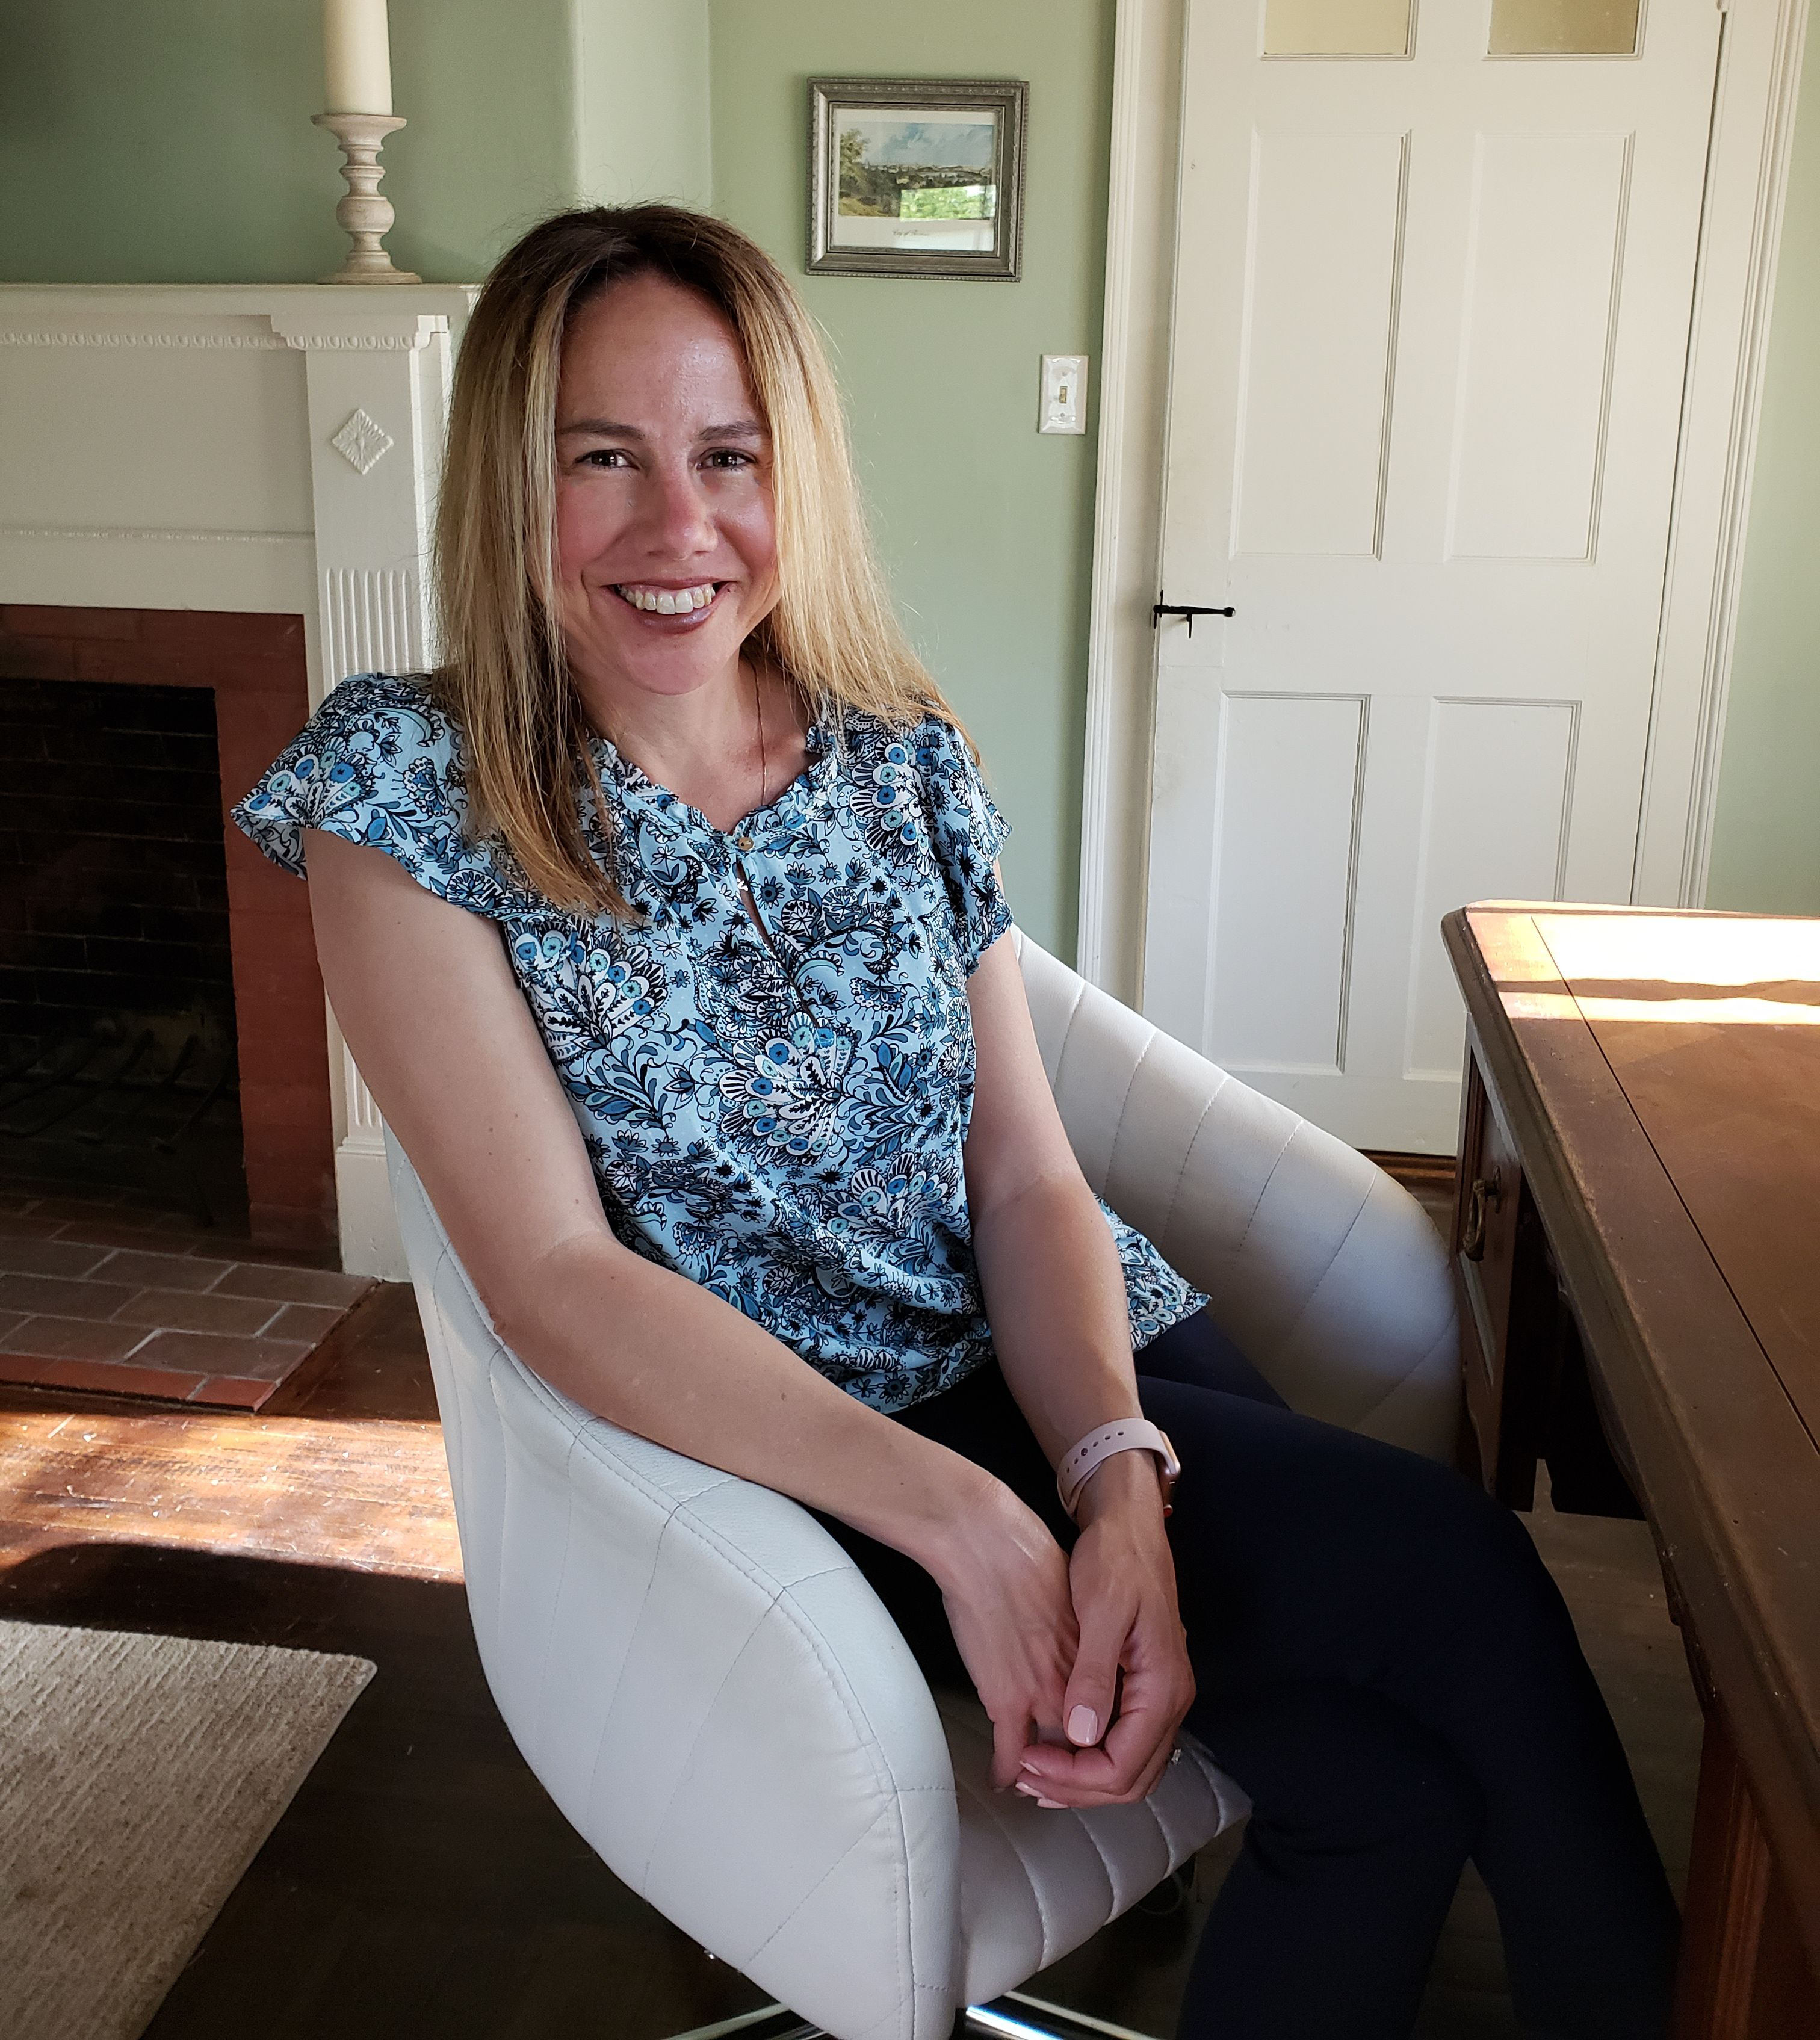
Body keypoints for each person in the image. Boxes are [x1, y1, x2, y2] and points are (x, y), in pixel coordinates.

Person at [235, 204, 1677, 2040]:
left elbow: (1023, 1169)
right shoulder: (405, 792)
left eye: (728, 458)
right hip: (804, 1455)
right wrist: (976, 1529)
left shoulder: (889, 742)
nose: (680, 531)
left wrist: (1113, 1476)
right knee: (1469, 1587)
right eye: (604, 458)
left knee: (1382, 1786)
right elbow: (549, 1274)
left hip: (1075, 1355)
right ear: (510, 485)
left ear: (793, 477)